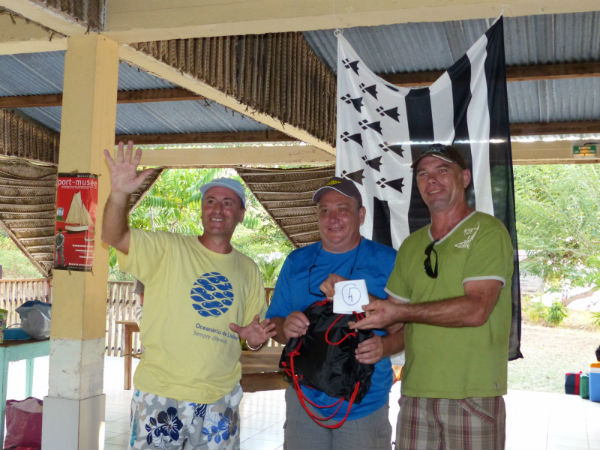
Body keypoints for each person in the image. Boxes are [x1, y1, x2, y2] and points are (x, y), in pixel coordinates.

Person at [102, 141, 275, 450]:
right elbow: (113, 235)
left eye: (227, 202)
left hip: (220, 398)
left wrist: (255, 337)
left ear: (240, 214)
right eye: (210, 201)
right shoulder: (167, 248)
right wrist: (119, 194)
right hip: (161, 393)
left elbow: (255, 337)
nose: (217, 208)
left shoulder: (248, 269)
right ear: (202, 209)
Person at [348, 144, 514, 450]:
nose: (431, 179)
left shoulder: (488, 232)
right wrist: (347, 294)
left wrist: (400, 313)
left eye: (442, 170)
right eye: (423, 173)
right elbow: (396, 320)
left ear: (464, 178)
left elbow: (476, 310)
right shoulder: (412, 246)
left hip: (471, 395)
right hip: (416, 395)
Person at [267, 176, 404, 450]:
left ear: (361, 214)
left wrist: (384, 345)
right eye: (325, 210)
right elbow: (275, 324)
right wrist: (286, 327)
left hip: (364, 402)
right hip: (304, 401)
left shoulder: (388, 260)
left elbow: (406, 330)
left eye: (343, 209)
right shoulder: (296, 262)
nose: (333, 218)